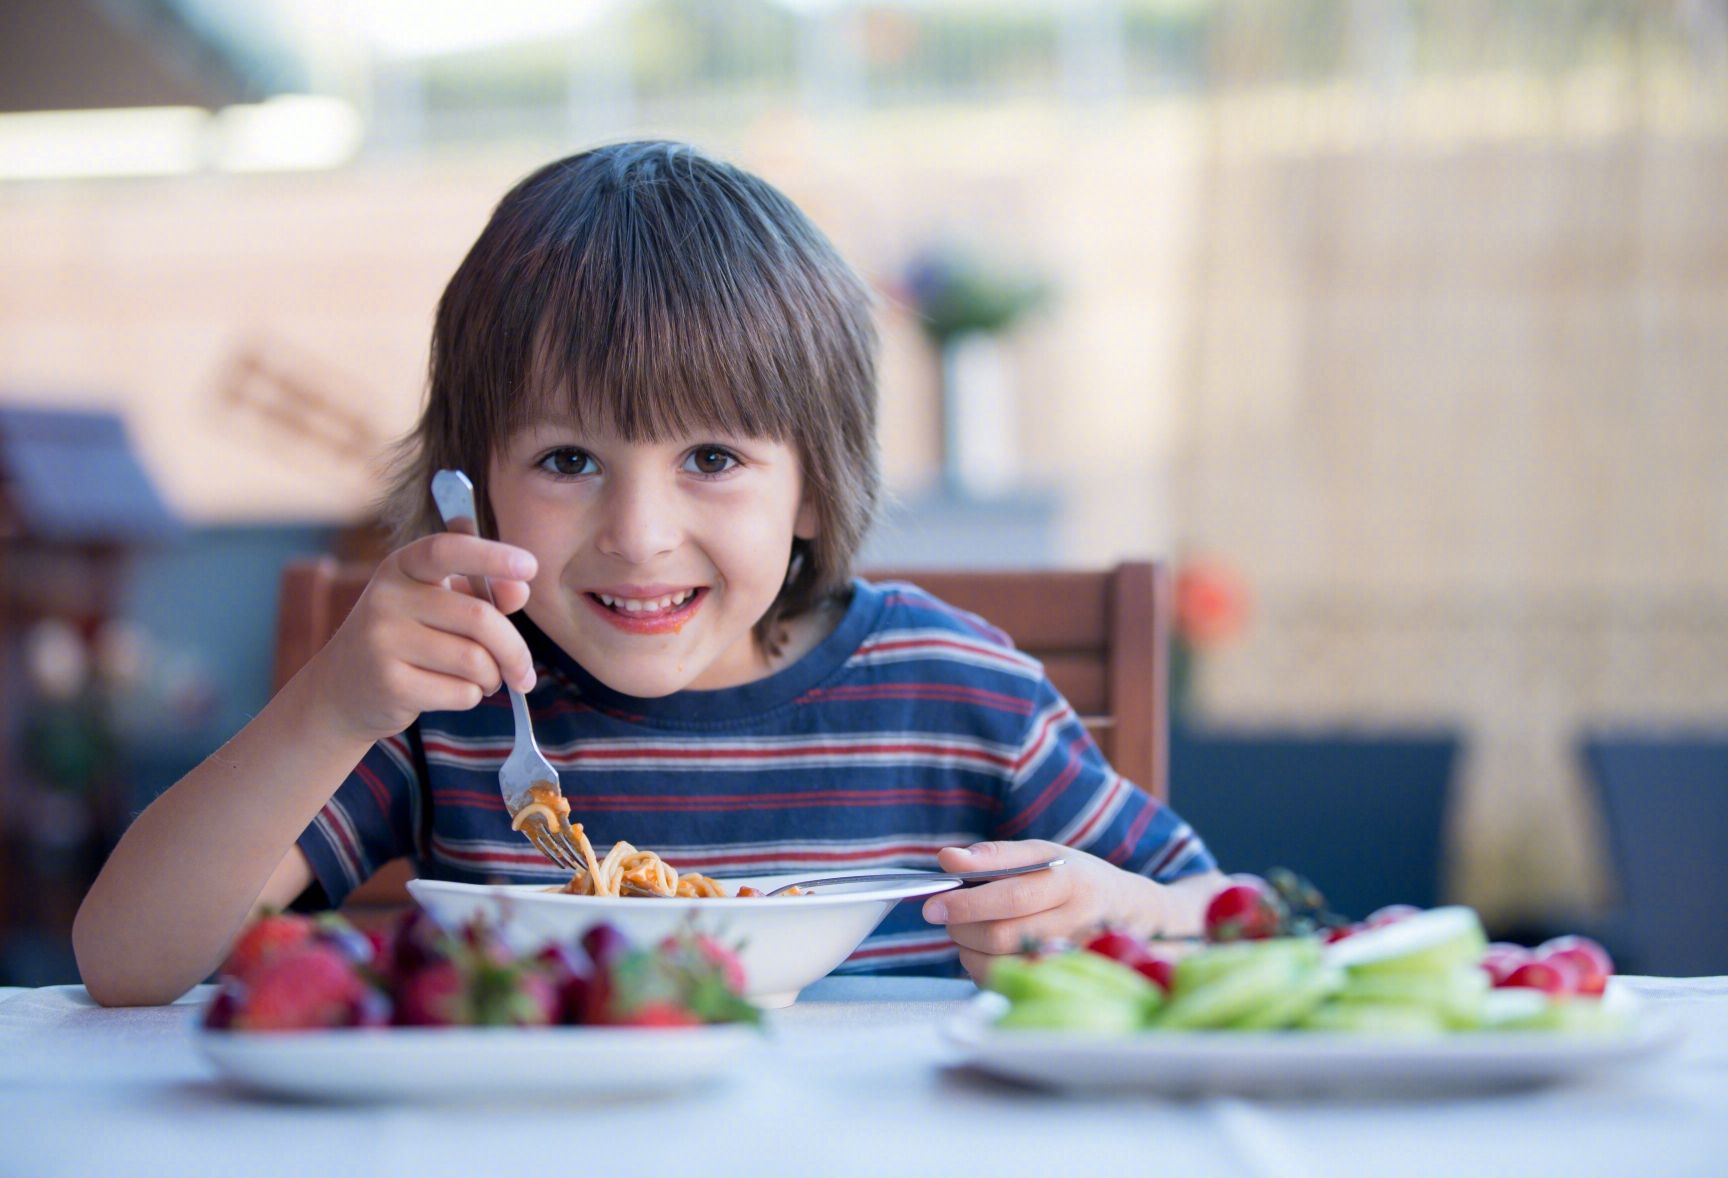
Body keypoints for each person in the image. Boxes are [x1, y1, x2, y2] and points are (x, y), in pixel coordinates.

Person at [74, 141, 1225, 1006]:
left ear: (813, 488)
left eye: (712, 458)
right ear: (472, 484)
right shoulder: (458, 705)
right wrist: (326, 709)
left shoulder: (957, 691)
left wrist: (1119, 910)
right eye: (569, 459)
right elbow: (127, 965)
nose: (638, 530)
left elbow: (1230, 919)